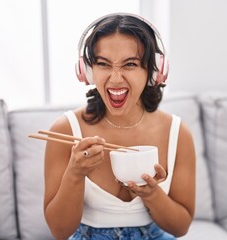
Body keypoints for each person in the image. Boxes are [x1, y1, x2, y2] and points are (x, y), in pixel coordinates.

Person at [43, 13, 196, 240]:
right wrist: (75, 174)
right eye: (103, 64)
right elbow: (59, 231)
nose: (115, 79)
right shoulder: (64, 130)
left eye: (131, 64)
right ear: (87, 71)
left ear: (153, 72)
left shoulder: (178, 133)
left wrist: (152, 194)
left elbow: (180, 228)